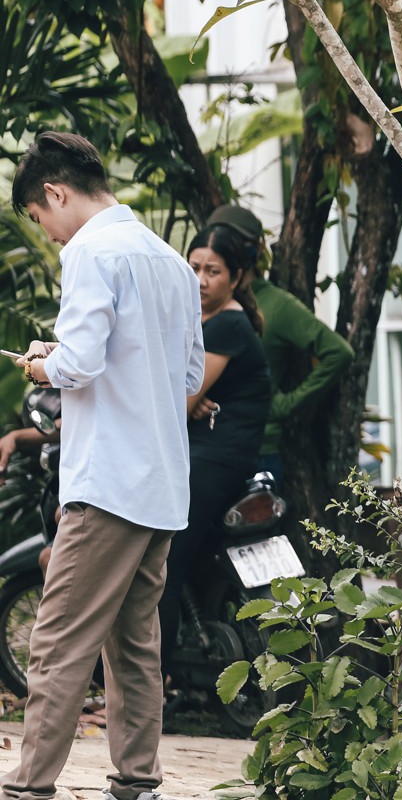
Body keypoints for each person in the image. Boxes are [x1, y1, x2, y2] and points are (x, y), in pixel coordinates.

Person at [4, 131, 204, 800]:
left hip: (108, 482)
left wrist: (42, 363)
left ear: (54, 193)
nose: (50, 236)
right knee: (133, 647)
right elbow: (189, 374)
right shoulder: (171, 260)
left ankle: (29, 786)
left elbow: (80, 364)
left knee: (57, 640)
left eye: (41, 220)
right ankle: (138, 783)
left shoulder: (92, 250)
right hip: (161, 486)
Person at [158, 225, 272, 673]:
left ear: (237, 276)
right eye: (194, 268)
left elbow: (178, 401)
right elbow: (182, 392)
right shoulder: (202, 321)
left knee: (160, 571)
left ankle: (149, 693)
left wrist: (185, 399)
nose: (201, 279)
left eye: (213, 270)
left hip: (213, 459)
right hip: (204, 453)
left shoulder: (228, 322)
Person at [200, 204, 353, 484]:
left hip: (255, 450)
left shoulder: (277, 306)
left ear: (252, 251)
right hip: (202, 444)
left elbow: (338, 352)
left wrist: (283, 404)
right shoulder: (199, 301)